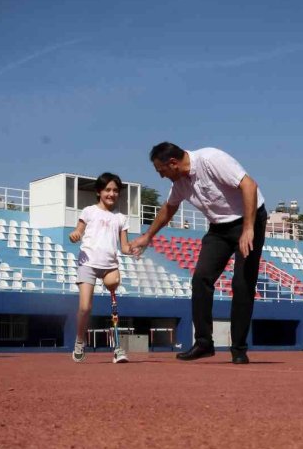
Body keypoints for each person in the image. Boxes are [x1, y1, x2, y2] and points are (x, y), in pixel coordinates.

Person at [130, 142, 267, 364]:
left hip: (250, 219)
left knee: (242, 284)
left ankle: (239, 349)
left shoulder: (211, 159)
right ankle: (204, 343)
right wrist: (148, 236)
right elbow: (168, 209)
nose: (162, 177)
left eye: (161, 171)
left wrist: (248, 228)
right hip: (219, 229)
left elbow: (249, 185)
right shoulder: (180, 183)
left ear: (173, 163)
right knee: (201, 278)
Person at [69, 172, 133, 364]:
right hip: (88, 263)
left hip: (109, 266)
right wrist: (75, 234)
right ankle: (80, 340)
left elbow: (124, 247)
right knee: (85, 307)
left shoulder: (121, 218)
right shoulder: (89, 211)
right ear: (99, 191)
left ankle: (118, 349)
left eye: (115, 190)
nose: (111, 194)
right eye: (107, 190)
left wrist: (135, 248)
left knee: (113, 285)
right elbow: (79, 230)